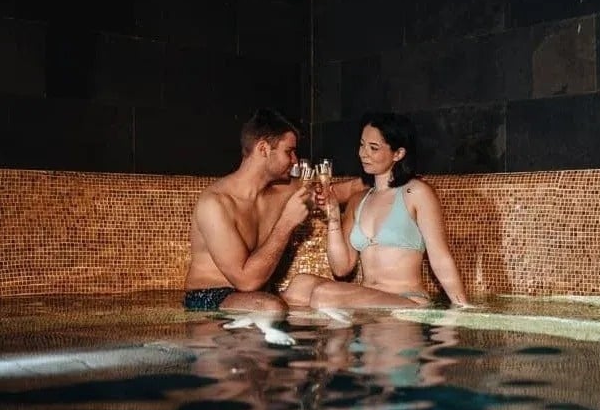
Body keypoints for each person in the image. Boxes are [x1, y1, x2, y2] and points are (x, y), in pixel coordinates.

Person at [283, 112, 469, 310]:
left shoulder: (416, 192)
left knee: (325, 294)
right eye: (362, 145)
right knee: (299, 285)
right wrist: (334, 216)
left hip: (407, 299)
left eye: (373, 148)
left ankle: (326, 338)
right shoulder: (358, 200)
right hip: (370, 299)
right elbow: (341, 268)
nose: (364, 153)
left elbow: (440, 258)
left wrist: (463, 309)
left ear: (398, 154)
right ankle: (285, 337)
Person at [184, 108, 312, 318]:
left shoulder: (280, 192)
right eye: (288, 152)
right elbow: (246, 281)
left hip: (256, 297)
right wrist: (287, 222)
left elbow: (331, 191)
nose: (295, 160)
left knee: (308, 291)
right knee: (270, 308)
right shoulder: (215, 204)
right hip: (209, 298)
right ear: (263, 148)